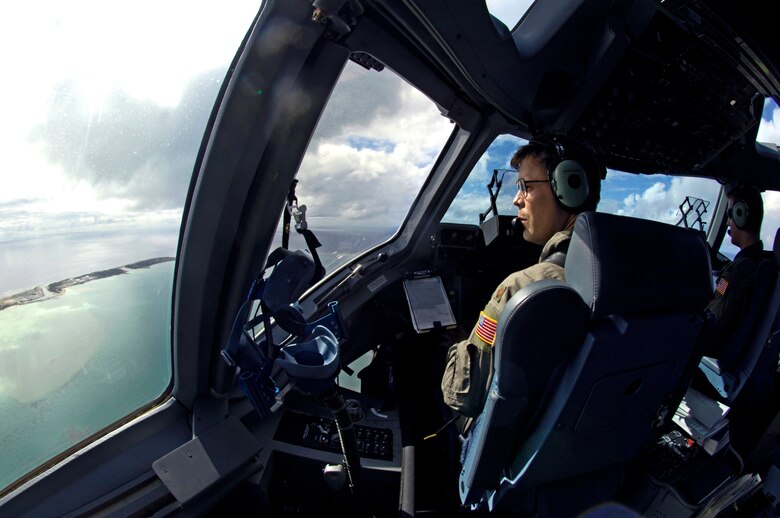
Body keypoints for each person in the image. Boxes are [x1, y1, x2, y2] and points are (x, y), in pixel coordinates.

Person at [441, 136, 603, 418]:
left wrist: (462, 342)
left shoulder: (525, 286)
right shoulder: (621, 271)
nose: (517, 199)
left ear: (570, 189)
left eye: (526, 187)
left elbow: (462, 397)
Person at [704, 184, 766, 357]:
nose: (727, 222)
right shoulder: (762, 263)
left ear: (741, 215)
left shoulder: (739, 271)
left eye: (729, 215)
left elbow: (715, 320)